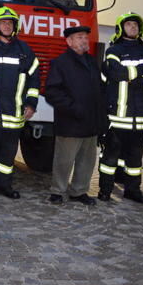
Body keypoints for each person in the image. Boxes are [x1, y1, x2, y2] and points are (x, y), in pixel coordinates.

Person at [0, 6, 40, 200]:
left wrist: (31, 103)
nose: (6, 25)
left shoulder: (25, 51)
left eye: (10, 23)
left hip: (15, 111)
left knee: (9, 152)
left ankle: (4, 185)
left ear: (15, 26)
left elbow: (34, 79)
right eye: (3, 22)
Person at [98, 12, 143, 204]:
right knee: (110, 158)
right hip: (117, 117)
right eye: (129, 25)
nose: (133, 27)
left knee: (135, 161)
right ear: (120, 29)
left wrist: (134, 77)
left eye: (135, 25)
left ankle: (132, 190)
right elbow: (116, 73)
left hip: (141, 117)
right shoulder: (114, 51)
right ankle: (105, 190)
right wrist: (142, 72)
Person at [44, 25, 104, 206]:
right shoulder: (60, 63)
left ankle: (79, 191)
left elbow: (99, 90)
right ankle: (57, 191)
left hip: (90, 122)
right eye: (79, 37)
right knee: (64, 159)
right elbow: (52, 92)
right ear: (69, 41)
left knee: (87, 161)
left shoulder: (92, 62)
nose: (84, 40)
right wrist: (74, 109)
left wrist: (101, 116)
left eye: (85, 37)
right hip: (70, 121)